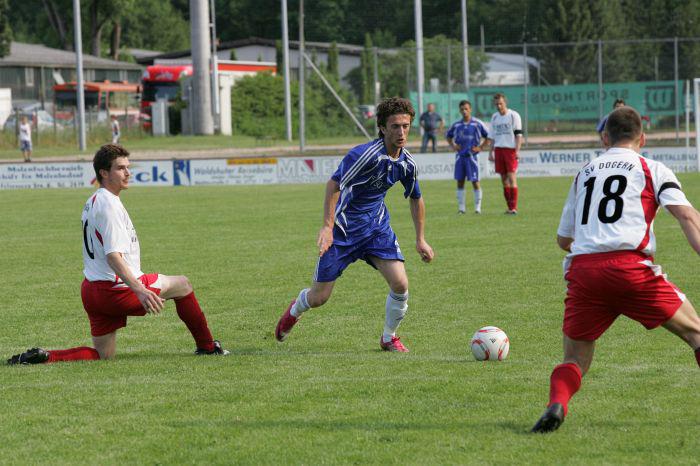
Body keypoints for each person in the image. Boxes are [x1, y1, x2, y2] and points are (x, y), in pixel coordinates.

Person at [531, 107, 700, 433]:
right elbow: (687, 216)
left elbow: (564, 238)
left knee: (574, 359)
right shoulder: (651, 168)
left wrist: (594, 243)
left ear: (605, 137)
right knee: (695, 332)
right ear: (642, 138)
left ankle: (557, 404)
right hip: (630, 269)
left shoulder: (585, 172)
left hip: (584, 273)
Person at [7, 144, 229, 365]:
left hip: (93, 291)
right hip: (116, 291)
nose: (128, 173)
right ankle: (208, 347)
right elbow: (113, 256)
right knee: (182, 285)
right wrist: (140, 290)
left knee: (104, 356)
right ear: (104, 173)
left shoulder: (94, 200)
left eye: (128, 167)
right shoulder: (109, 205)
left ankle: (46, 357)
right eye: (121, 168)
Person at [275, 97, 435, 353]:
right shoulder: (364, 155)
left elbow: (416, 198)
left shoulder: (407, 164)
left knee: (400, 284)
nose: (402, 132)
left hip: (376, 230)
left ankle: (388, 337)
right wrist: (327, 227)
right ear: (382, 128)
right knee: (319, 298)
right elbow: (334, 185)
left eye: (406, 126)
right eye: (395, 126)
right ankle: (295, 310)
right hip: (343, 231)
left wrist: (421, 239)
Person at [446, 100, 489, 214]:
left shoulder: (477, 124)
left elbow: (488, 136)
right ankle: (461, 208)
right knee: (460, 181)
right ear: (460, 111)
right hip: (460, 157)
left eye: (466, 109)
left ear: (470, 109)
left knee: (475, 181)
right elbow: (448, 136)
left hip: (472, 158)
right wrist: (453, 145)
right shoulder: (456, 125)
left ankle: (477, 208)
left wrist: (480, 147)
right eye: (462, 109)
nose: (464, 111)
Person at [486, 93, 522, 214]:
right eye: (496, 104)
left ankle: (514, 207)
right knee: (503, 179)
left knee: (512, 178)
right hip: (498, 150)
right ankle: (509, 207)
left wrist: (517, 150)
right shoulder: (495, 117)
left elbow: (518, 135)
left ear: (505, 102)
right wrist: (490, 152)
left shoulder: (513, 115)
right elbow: (492, 136)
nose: (499, 106)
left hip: (510, 150)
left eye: (501, 103)